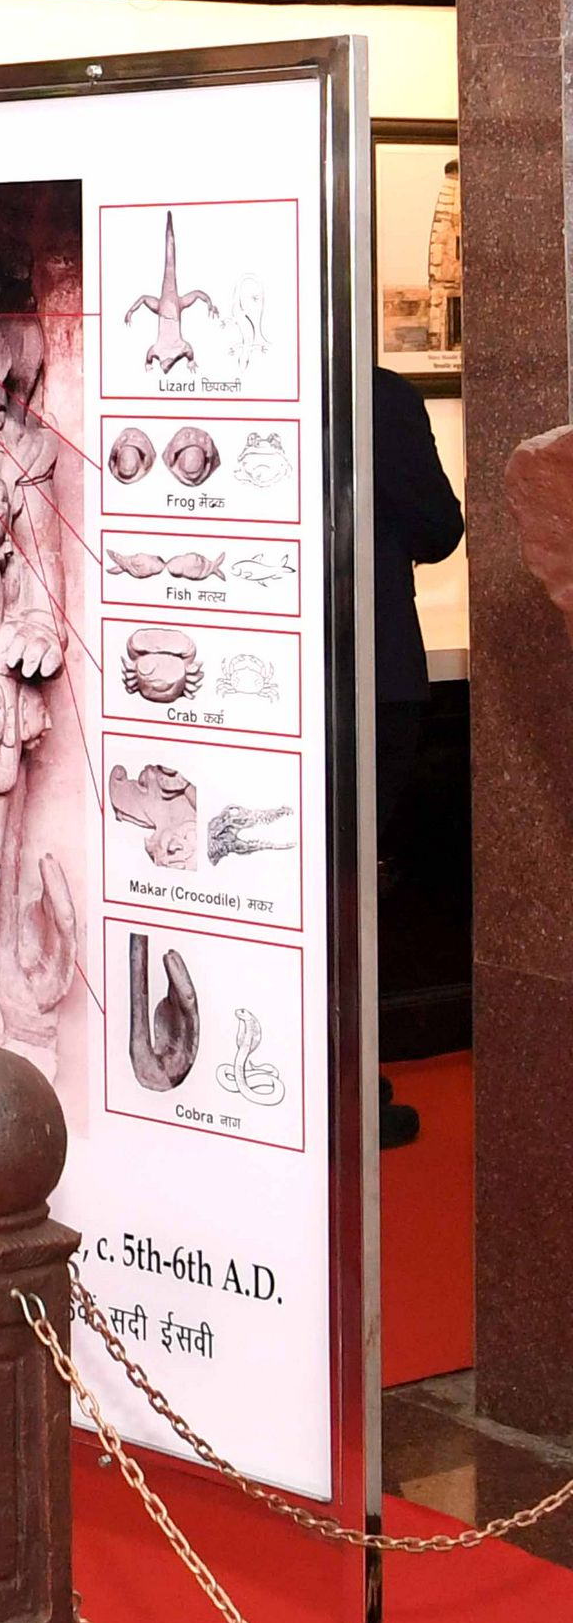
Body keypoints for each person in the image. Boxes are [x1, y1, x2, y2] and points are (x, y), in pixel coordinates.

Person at [372, 363, 465, 1154]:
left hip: (272, 677)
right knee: (353, 889)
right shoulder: (385, 399)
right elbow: (438, 528)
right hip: (376, 674)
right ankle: (352, 1087)